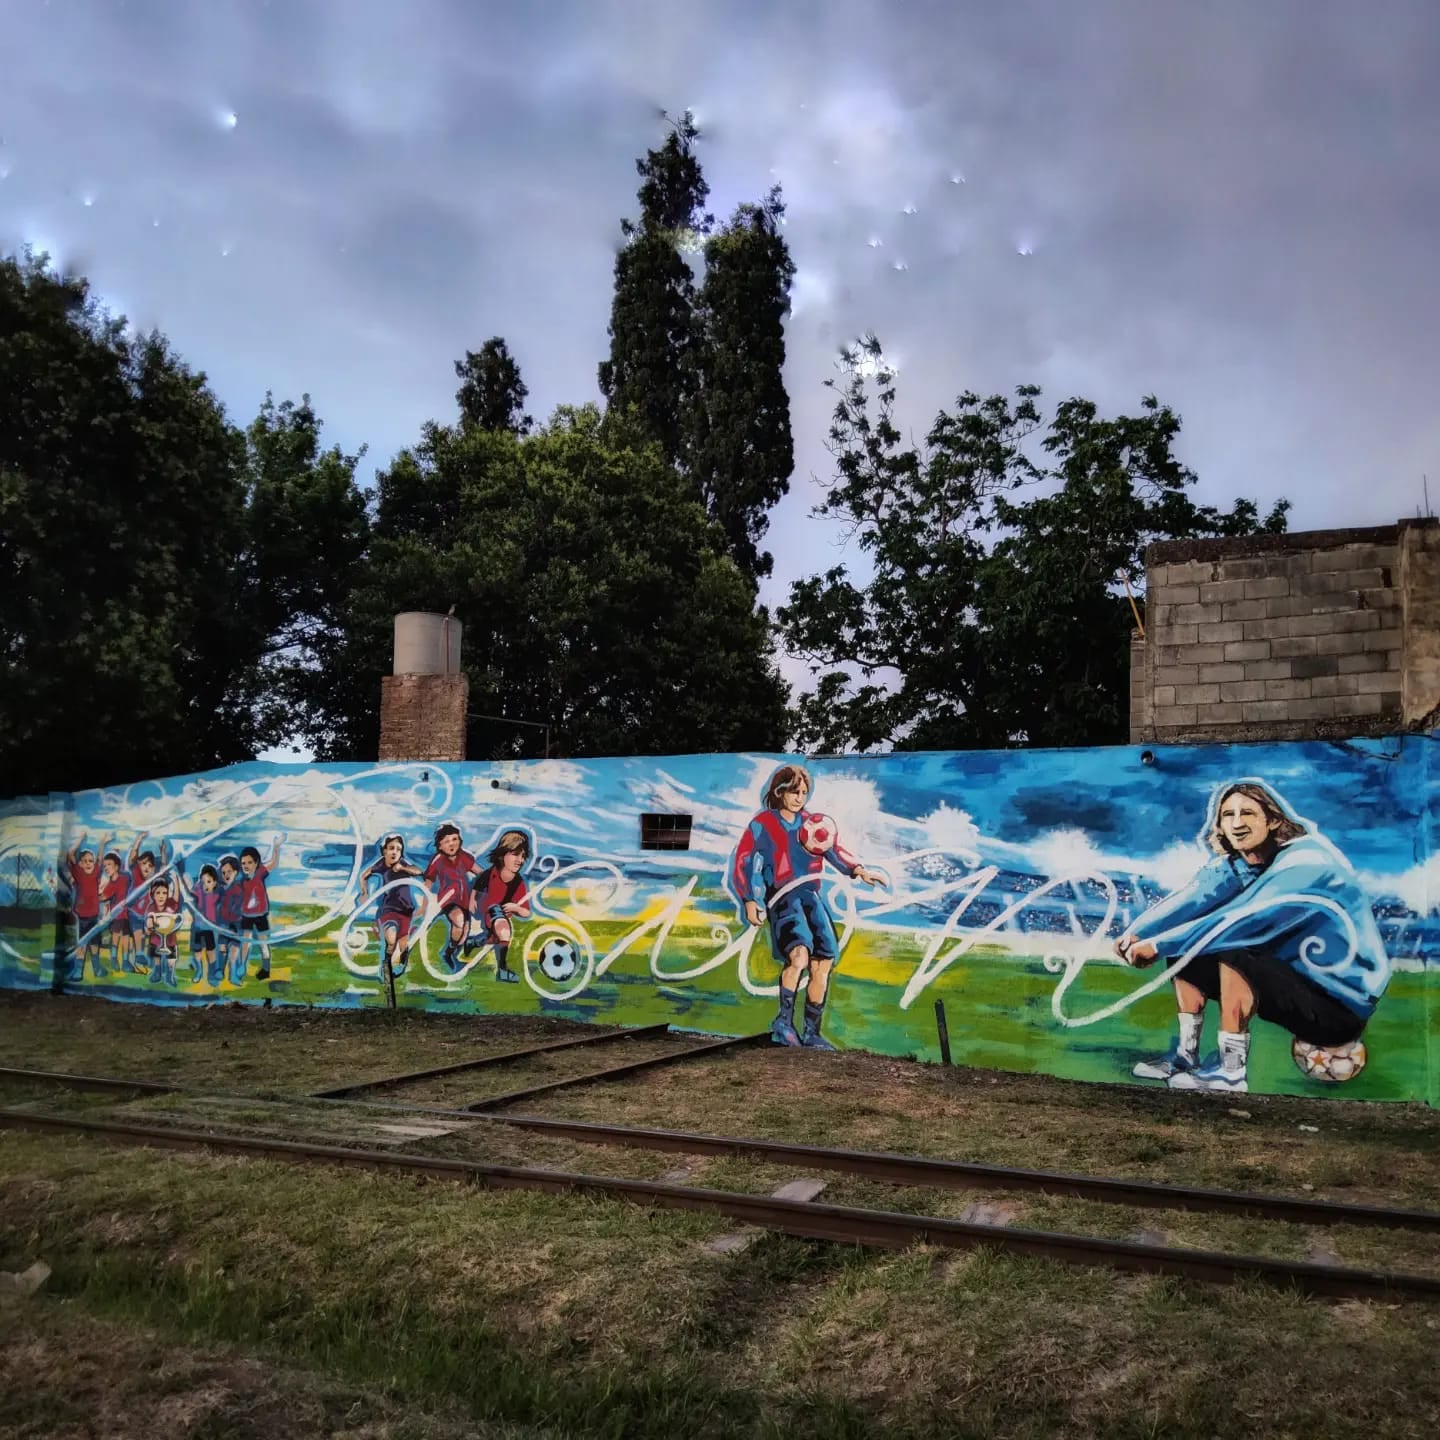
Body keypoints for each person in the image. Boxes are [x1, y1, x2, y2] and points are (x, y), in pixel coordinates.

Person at [1116, 780, 1390, 1094]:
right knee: (1188, 949)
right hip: (1294, 985)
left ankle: (1231, 1073)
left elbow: (1245, 918)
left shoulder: (1306, 864)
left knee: (1232, 946)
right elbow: (1190, 899)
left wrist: (1157, 945)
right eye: (1227, 815)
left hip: (1338, 1008)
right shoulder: (1236, 865)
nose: (1236, 823)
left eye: (1247, 813)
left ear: (1273, 819)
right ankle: (1185, 1057)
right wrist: (1138, 932)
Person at [730, 764, 886, 1050]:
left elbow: (834, 850)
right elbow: (743, 860)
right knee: (799, 956)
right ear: (779, 792)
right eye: (793, 791)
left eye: (803, 792)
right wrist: (749, 898)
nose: (799, 797)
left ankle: (812, 1032)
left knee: (823, 960)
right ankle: (783, 1024)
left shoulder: (812, 824)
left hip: (810, 897)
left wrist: (860, 870)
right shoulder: (763, 823)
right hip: (782, 898)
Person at [468, 829, 532, 984]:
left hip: (501, 914)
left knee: (497, 937)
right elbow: (478, 884)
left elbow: (526, 913)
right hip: (490, 910)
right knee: (504, 930)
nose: (520, 860)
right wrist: (472, 899)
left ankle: (475, 941)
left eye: (523, 856)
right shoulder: (492, 874)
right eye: (515, 854)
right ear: (503, 854)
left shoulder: (519, 883)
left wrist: (516, 908)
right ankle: (502, 971)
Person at [360, 834, 424, 980]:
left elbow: (419, 871)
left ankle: (401, 965)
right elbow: (364, 875)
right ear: (384, 851)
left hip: (406, 910)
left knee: (403, 946)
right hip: (389, 909)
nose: (394, 852)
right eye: (391, 848)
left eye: (398, 849)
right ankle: (386, 964)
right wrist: (364, 893)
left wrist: (403, 868)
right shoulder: (381, 864)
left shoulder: (403, 864)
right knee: (390, 939)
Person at [424, 823, 482, 973]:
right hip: (448, 900)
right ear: (440, 846)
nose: (452, 844)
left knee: (463, 935)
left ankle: (450, 954)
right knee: (459, 920)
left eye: (455, 839)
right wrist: (424, 904)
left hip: (465, 900)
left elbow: (480, 872)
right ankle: (448, 954)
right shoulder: (438, 859)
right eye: (447, 841)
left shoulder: (463, 856)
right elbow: (429, 880)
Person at [63, 833, 110, 980]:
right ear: (81, 863)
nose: (89, 863)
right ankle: (78, 971)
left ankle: (97, 968)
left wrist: (102, 843)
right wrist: (80, 840)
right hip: (82, 916)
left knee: (95, 943)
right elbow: (70, 854)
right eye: (85, 861)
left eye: (91, 860)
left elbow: (101, 860)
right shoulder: (78, 873)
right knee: (82, 944)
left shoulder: (96, 872)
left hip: (94, 915)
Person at [237, 836, 283, 981]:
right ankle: (241, 967)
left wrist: (276, 846)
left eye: (249, 862)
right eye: (243, 863)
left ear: (256, 863)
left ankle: (266, 968)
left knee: (263, 942)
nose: (246, 865)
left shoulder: (261, 872)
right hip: (246, 915)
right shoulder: (242, 880)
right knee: (245, 942)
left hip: (260, 915)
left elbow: (274, 863)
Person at [177, 862, 224, 984]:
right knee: (197, 950)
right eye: (203, 882)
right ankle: (199, 971)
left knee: (211, 950)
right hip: (197, 927)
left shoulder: (218, 893)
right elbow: (188, 895)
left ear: (214, 882)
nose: (205, 885)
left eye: (209, 882)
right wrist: (185, 881)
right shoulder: (198, 889)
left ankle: (212, 972)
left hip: (210, 928)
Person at [143, 876, 183, 988]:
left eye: (164, 893)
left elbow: (176, 896)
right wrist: (149, 926)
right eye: (158, 893)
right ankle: (157, 971)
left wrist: (175, 881)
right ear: (153, 894)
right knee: (156, 954)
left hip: (170, 939)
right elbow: (149, 920)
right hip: (156, 938)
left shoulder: (171, 904)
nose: (161, 896)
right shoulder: (151, 907)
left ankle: (170, 975)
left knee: (171, 957)